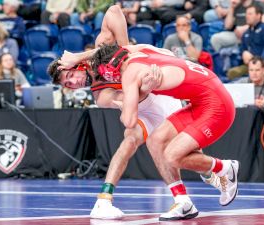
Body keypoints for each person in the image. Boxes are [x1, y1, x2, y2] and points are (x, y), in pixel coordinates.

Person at [51, 5, 207, 221]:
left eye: (70, 76)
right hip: (144, 96)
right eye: (69, 84)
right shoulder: (100, 94)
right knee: (130, 140)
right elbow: (129, 102)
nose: (74, 83)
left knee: (190, 153)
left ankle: (212, 170)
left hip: (164, 75)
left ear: (76, 66)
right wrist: (141, 85)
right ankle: (104, 200)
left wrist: (123, 50)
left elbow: (114, 10)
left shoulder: (101, 48)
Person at [89, 42, 240, 214]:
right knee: (155, 141)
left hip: (216, 106)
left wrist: (124, 106)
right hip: (204, 97)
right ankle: (183, 202)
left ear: (109, 69)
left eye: (105, 75)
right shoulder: (141, 53)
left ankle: (225, 168)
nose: (107, 79)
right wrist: (144, 90)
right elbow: (168, 53)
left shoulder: (129, 74)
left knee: (171, 156)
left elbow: (129, 121)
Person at [227, 4, 264, 80]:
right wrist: (244, 53)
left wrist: (259, 61)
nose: (247, 16)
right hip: (252, 65)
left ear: (258, 15)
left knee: (261, 69)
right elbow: (242, 49)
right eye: (246, 14)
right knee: (232, 72)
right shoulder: (246, 33)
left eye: (250, 14)